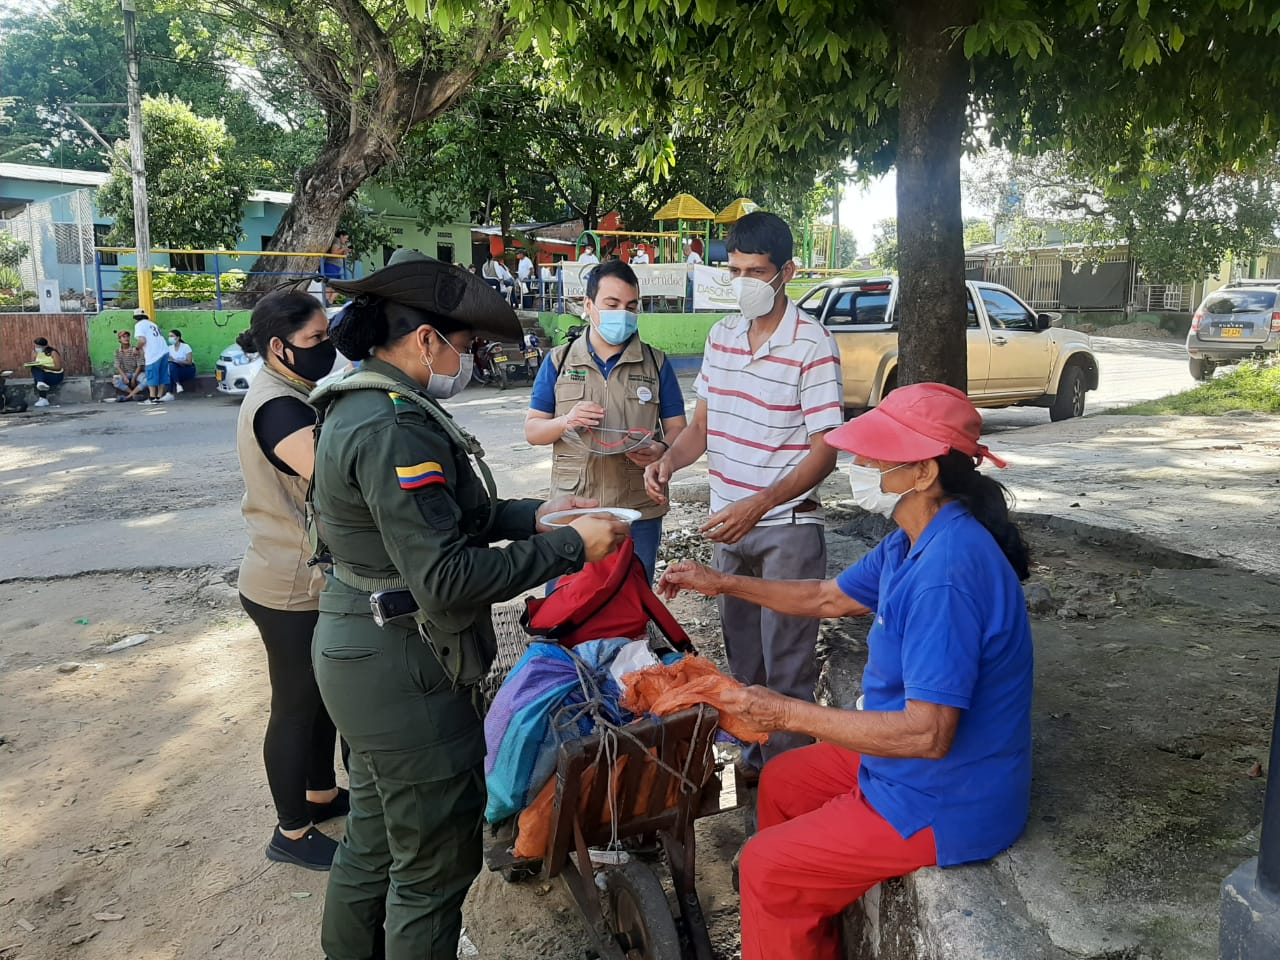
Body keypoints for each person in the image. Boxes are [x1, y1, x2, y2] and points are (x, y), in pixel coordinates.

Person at [312, 253, 631, 960]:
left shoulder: (370, 403)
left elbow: (451, 519)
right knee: (433, 866)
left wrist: (538, 516)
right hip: (402, 667)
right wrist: (571, 548)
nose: (471, 362)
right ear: (426, 341)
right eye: (466, 346)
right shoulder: (394, 426)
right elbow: (448, 577)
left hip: (363, 650)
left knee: (374, 837)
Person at [658, 382, 1034, 960]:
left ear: (924, 473)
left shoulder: (946, 575)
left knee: (764, 866)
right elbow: (826, 597)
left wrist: (783, 711)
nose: (861, 464)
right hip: (907, 766)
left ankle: (782, 900)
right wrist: (723, 583)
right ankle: (801, 930)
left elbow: (928, 735)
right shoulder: (915, 539)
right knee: (784, 781)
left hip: (945, 797)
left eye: (878, 455)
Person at [644, 211, 843, 775]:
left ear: (787, 272)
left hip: (787, 530)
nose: (743, 283)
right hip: (726, 527)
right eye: (734, 271)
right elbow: (700, 429)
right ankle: (757, 759)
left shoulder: (813, 344)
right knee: (744, 659)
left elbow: (825, 451)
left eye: (755, 272)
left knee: (788, 666)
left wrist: (760, 503)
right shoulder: (721, 337)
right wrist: (669, 460)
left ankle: (788, 777)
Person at [235, 291, 348, 872]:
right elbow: (335, 475)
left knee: (321, 699)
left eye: (329, 335)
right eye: (316, 340)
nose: (327, 348)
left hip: (303, 576)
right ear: (279, 347)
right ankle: (292, 832)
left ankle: (320, 794)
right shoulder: (278, 407)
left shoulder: (295, 392)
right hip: (287, 586)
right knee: (295, 708)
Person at [525, 259, 687, 583]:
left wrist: (662, 449)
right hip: (573, 511)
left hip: (636, 512)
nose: (622, 314)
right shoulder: (559, 361)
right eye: (612, 305)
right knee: (566, 602)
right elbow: (533, 430)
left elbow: (678, 429)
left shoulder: (655, 363)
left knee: (630, 599)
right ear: (588, 305)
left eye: (631, 306)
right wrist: (566, 421)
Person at [132, 308, 171, 404]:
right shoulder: (153, 324)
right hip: (164, 350)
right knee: (162, 374)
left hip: (153, 353)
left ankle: (152, 397)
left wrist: (136, 348)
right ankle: (159, 397)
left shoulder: (139, 325)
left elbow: (142, 340)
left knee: (151, 375)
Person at [25, 337, 64, 407]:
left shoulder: (53, 353)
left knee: (38, 379)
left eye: (39, 346)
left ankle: (42, 398)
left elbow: (58, 368)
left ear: (45, 346)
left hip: (55, 375)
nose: (37, 348)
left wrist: (45, 367)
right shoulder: (34, 352)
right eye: (36, 346)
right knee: (35, 368)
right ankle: (41, 385)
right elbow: (33, 364)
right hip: (42, 374)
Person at [111, 330, 145, 401]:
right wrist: (124, 377)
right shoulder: (117, 351)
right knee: (115, 381)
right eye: (123, 337)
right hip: (126, 373)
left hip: (137, 373)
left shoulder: (135, 349)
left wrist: (134, 378)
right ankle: (134, 394)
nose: (126, 338)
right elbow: (117, 366)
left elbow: (140, 365)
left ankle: (128, 397)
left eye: (127, 336)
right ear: (119, 339)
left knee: (147, 380)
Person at [167, 329, 197, 395]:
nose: (170, 338)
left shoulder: (186, 347)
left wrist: (175, 361)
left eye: (172, 336)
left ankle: (169, 393)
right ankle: (177, 385)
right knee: (170, 367)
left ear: (178, 337)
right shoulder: (169, 348)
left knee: (171, 367)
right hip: (175, 370)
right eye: (169, 336)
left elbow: (189, 362)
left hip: (187, 369)